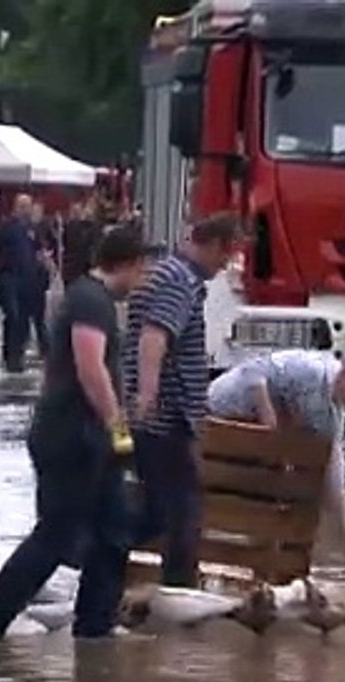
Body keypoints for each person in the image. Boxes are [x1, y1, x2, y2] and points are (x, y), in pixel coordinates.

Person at [0, 225, 150, 641]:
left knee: (113, 531)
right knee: (57, 536)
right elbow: (90, 366)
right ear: (130, 264)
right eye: (143, 272)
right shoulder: (90, 301)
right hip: (71, 438)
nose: (143, 283)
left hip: (87, 439)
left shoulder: (89, 299)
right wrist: (118, 425)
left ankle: (95, 627)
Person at [123, 212, 241, 588]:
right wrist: (147, 396)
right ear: (211, 244)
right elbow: (154, 337)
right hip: (165, 418)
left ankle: (104, 553)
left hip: (163, 417)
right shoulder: (179, 280)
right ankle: (175, 592)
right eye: (225, 255)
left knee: (162, 508)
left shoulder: (167, 274)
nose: (225, 266)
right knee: (180, 514)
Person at [207, 349, 345, 574]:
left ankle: (264, 574)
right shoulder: (311, 370)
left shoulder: (332, 418)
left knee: (279, 499)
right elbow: (252, 372)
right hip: (222, 412)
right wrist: (270, 423)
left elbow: (333, 473)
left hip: (260, 456)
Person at [0, 194, 39, 372]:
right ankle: (9, 353)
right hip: (7, 275)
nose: (26, 210)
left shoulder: (31, 228)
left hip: (27, 278)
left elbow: (38, 250)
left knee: (24, 317)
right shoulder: (5, 226)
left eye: (28, 206)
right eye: (23, 206)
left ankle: (18, 352)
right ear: (16, 207)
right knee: (13, 314)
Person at [30, 202, 57, 359]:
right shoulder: (25, 228)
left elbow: (52, 247)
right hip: (27, 276)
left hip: (40, 276)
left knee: (39, 314)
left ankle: (44, 346)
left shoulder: (45, 229)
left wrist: (49, 260)